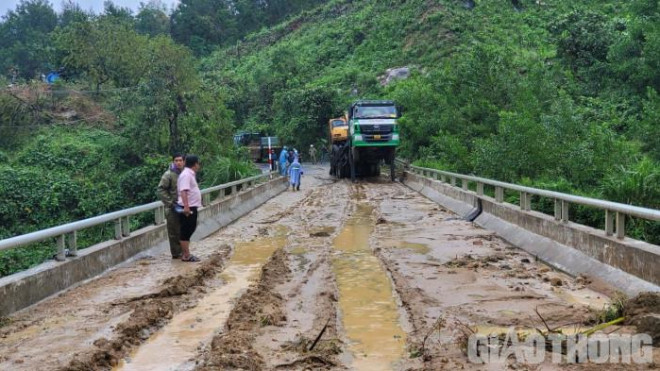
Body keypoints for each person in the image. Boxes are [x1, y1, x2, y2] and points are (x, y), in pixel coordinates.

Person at [157, 154, 184, 259]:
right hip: (172, 208)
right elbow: (160, 190)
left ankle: (184, 252)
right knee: (174, 232)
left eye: (180, 160)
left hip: (183, 207)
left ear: (184, 162)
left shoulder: (185, 174)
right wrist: (171, 203)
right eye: (176, 160)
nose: (178, 162)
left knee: (184, 231)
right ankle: (176, 254)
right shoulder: (168, 175)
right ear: (173, 162)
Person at [177, 155, 202, 262]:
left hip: (192, 206)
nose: (199, 165)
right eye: (198, 163)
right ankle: (186, 255)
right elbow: (183, 191)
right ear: (195, 164)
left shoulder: (189, 174)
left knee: (189, 229)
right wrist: (186, 207)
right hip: (188, 207)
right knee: (186, 231)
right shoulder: (186, 175)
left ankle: (186, 253)